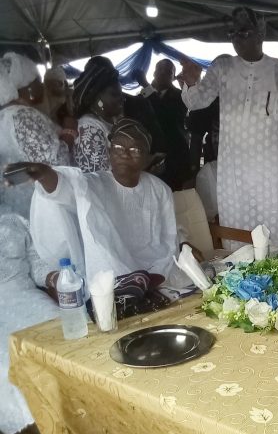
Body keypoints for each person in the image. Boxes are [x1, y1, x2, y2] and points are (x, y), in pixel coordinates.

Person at [179, 8, 278, 245]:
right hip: (234, 173)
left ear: (261, 33)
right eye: (233, 34)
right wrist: (191, 82)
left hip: (273, 174)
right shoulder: (222, 68)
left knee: (274, 234)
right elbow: (197, 101)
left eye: (244, 32)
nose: (237, 39)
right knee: (237, 234)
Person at [16, 118, 179, 291]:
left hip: (157, 269)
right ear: (109, 152)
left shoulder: (160, 189)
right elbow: (66, 187)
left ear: (147, 158)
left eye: (135, 150)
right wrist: (45, 174)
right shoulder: (93, 183)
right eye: (118, 147)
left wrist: (167, 264)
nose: (125, 154)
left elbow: (169, 236)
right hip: (112, 275)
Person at [0, 206, 57, 434]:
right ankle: (39, 426)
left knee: (65, 333)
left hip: (27, 296)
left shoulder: (13, 221)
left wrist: (54, 276)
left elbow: (36, 264)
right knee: (9, 360)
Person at [0, 52, 70, 218]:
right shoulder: (23, 116)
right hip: (42, 205)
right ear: (27, 86)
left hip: (16, 204)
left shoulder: (4, 115)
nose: (42, 85)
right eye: (37, 80)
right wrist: (70, 133)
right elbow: (57, 163)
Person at [136, 59, 191, 190]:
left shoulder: (181, 96)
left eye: (168, 71)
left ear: (173, 77)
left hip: (175, 158)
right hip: (150, 159)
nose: (162, 73)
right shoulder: (142, 96)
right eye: (159, 69)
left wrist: (146, 85)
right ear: (154, 73)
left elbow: (166, 116)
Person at [72, 63, 124, 172]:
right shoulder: (88, 126)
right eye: (114, 94)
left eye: (121, 95)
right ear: (97, 97)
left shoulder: (113, 120)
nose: (122, 99)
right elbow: (95, 174)